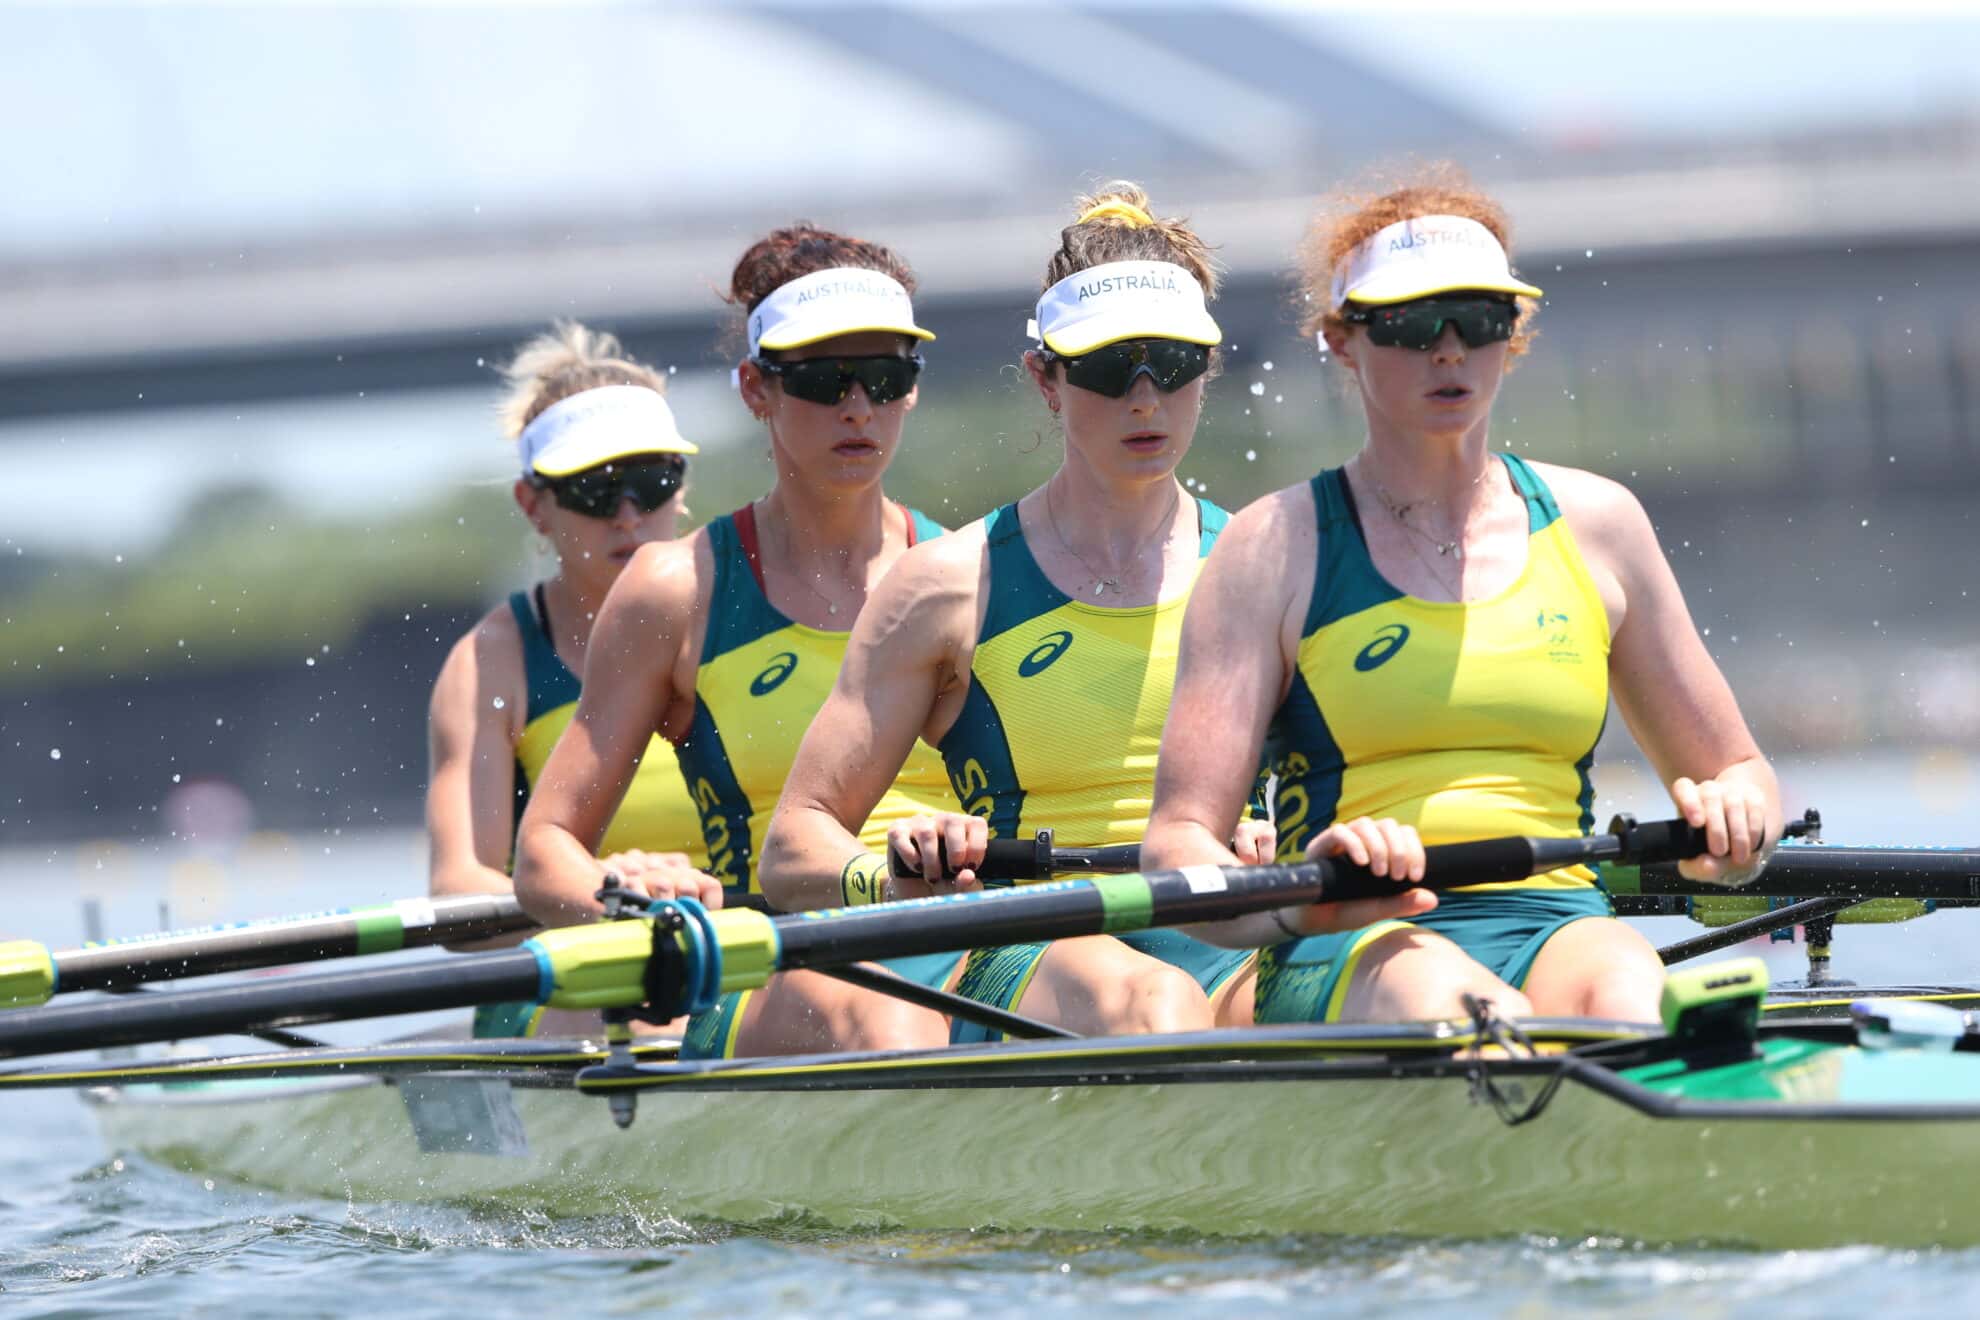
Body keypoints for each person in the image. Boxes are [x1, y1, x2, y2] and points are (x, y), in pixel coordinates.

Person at [1142, 167, 1779, 1025]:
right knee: (1443, 999)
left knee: (1631, 990)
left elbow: (1736, 771)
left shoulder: (1600, 525)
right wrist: (1299, 903)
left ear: (1512, 335)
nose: (1447, 350)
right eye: (1407, 324)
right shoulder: (1273, 547)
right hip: (1351, 938)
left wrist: (1738, 829)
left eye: (1479, 321)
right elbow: (1177, 845)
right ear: (1341, 339)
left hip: (1554, 920)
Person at [760, 185, 1269, 1036]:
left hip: (1232, 928)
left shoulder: (1270, 561)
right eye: (1110, 369)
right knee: (1154, 1003)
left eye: (1174, 365)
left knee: (1407, 983)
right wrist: (886, 878)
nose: (1145, 399)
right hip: (1034, 943)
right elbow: (793, 847)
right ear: (1045, 378)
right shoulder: (947, 585)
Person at [513, 226, 957, 1057]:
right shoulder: (676, 589)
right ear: (757, 389)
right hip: (771, 969)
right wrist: (621, 895)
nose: (858, 407)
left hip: (965, 953)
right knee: (887, 1020)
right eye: (824, 381)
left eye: (887, 378)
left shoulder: (965, 570)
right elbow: (544, 854)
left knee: (1136, 995)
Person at [425, 322, 702, 1037]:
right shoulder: (493, 662)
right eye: (595, 490)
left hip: (735, 954)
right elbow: (460, 889)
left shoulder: (749, 615)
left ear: (681, 482)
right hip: (576, 970)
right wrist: (609, 897)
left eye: (649, 481)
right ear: (532, 504)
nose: (629, 516)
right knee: (659, 1023)